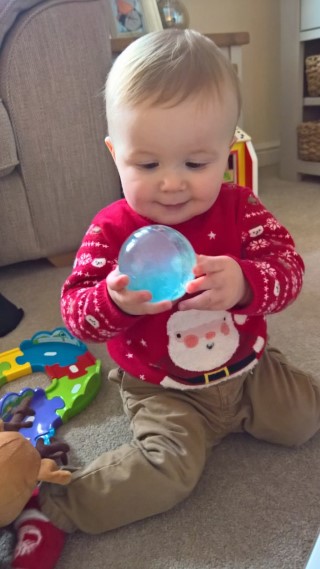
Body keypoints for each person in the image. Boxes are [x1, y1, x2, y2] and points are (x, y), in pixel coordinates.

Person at [11, 28, 320, 569]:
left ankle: (259, 404)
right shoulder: (109, 230)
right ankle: (54, 506)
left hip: (246, 369)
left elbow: (290, 272)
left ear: (227, 151)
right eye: (148, 165)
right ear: (115, 153)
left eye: (196, 164)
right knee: (170, 473)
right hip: (163, 388)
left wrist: (247, 281)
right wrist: (113, 302)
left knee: (300, 418)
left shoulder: (241, 210)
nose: (172, 184)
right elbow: (76, 314)